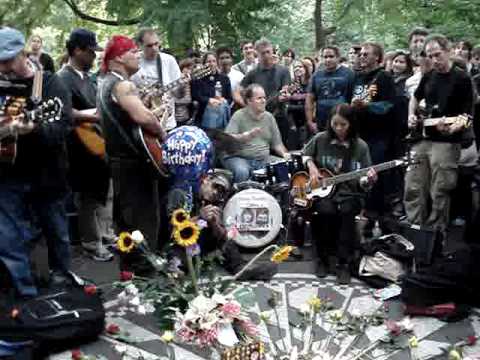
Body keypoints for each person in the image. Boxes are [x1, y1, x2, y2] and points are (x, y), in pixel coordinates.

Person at [0, 27, 73, 297]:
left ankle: (63, 290)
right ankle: (25, 297)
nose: (3, 68)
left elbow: (63, 126)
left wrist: (35, 129)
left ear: (23, 54)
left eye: (8, 61)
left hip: (46, 175)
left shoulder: (50, 84)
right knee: (9, 239)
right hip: (7, 175)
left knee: (57, 234)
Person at [98, 35, 166, 252]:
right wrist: (162, 131)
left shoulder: (104, 83)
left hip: (118, 162)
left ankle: (131, 275)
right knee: (143, 222)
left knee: (126, 223)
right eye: (133, 51)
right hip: (135, 165)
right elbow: (143, 118)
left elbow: (124, 118)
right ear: (118, 57)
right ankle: (145, 274)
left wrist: (152, 111)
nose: (138, 55)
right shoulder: (122, 84)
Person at [405, 34, 474, 232]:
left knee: (440, 189)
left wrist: (453, 127)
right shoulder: (428, 75)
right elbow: (415, 98)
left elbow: (467, 116)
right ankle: (414, 228)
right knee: (413, 185)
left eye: (438, 54)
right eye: (430, 56)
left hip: (446, 142)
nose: (435, 60)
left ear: (449, 51)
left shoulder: (462, 78)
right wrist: (411, 115)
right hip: (421, 138)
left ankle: (435, 233)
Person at [303, 103, 377, 284]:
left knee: (346, 213)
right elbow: (306, 155)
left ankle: (344, 263)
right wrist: (312, 168)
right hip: (323, 192)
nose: (338, 129)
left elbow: (363, 181)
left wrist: (369, 180)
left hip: (350, 193)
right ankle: (322, 258)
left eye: (343, 125)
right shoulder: (321, 139)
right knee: (323, 211)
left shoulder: (360, 147)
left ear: (351, 124)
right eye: (335, 124)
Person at [57, 28, 113, 261]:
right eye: (90, 52)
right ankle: (91, 243)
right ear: (77, 50)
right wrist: (95, 116)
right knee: (87, 197)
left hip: (97, 144)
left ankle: (105, 234)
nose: (94, 57)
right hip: (78, 147)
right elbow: (65, 111)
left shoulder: (88, 78)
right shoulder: (62, 78)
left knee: (103, 192)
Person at [351, 42, 396, 235]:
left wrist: (367, 107)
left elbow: (390, 106)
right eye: (360, 54)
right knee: (360, 177)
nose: (362, 57)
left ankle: (379, 220)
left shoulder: (384, 77)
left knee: (375, 176)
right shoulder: (358, 78)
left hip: (379, 136)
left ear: (377, 57)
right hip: (359, 135)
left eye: (366, 54)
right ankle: (364, 218)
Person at [223, 83, 289, 183]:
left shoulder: (269, 117)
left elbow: (277, 144)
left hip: (263, 159)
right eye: (259, 98)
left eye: (264, 98)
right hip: (240, 158)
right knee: (242, 171)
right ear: (249, 101)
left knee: (282, 166)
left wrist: (285, 155)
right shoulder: (238, 116)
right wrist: (244, 136)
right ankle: (240, 196)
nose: (263, 101)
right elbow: (227, 140)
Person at [233, 38, 291, 147]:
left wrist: (286, 96)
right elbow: (237, 92)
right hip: (257, 119)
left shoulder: (283, 71)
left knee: (281, 150)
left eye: (268, 52)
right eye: (263, 53)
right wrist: (247, 106)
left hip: (278, 115)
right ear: (257, 54)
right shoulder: (252, 73)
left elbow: (286, 89)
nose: (266, 56)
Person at [131, 28, 181, 131]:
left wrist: (181, 86)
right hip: (142, 123)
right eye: (149, 46)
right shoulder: (133, 61)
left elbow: (178, 94)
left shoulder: (169, 60)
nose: (154, 48)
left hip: (167, 123)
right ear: (139, 45)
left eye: (156, 44)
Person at [305, 46, 354, 133]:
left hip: (342, 121)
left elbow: (352, 98)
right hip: (322, 121)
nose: (328, 60)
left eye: (331, 56)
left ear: (338, 57)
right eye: (325, 57)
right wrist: (310, 121)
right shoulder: (316, 75)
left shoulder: (348, 74)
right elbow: (310, 99)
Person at [191, 52, 232, 130]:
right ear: (204, 64)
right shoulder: (198, 78)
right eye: (209, 61)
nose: (212, 64)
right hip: (204, 116)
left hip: (221, 116)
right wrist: (208, 100)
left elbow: (230, 98)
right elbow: (195, 95)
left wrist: (224, 101)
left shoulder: (224, 78)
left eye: (214, 61)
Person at [174, 58, 194, 126]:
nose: (188, 71)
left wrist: (174, 101)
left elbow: (188, 99)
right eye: (187, 68)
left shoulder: (187, 83)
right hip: (173, 116)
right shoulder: (175, 80)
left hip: (183, 116)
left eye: (190, 69)